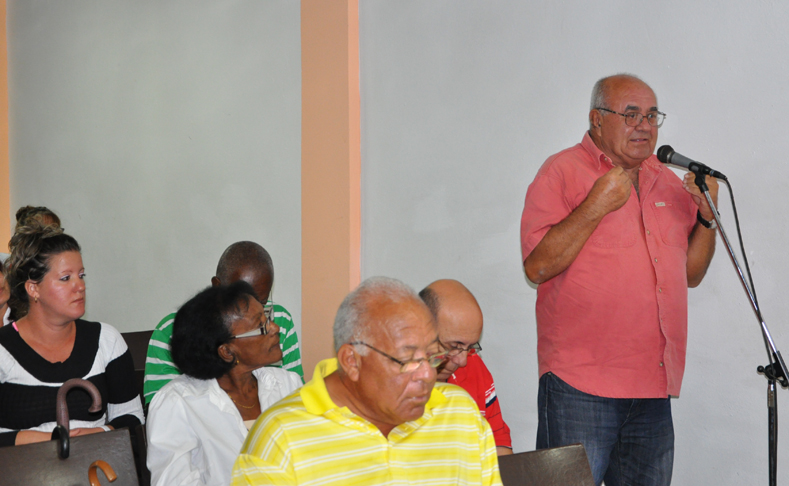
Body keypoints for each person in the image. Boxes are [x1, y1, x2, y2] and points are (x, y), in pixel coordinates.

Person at [520, 74, 718, 485]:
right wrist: (596, 204)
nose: (644, 125)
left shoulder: (667, 179)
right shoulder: (561, 171)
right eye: (630, 114)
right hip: (579, 385)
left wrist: (706, 218)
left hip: (652, 388)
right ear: (596, 119)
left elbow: (691, 275)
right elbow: (536, 267)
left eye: (651, 115)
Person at [231, 277, 503, 486]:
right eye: (407, 360)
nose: (427, 375)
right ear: (352, 361)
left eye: (431, 356)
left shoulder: (460, 415)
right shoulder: (281, 437)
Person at [0, 224, 143, 447]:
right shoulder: (3, 349)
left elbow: (133, 421)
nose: (80, 286)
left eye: (81, 275)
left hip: (97, 469)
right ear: (33, 289)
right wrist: (56, 441)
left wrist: (99, 433)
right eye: (66, 278)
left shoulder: (106, 340)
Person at [146, 281, 302, 486]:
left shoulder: (287, 386)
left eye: (268, 317)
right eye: (261, 325)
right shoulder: (178, 404)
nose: (275, 328)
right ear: (227, 351)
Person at [144, 241, 303, 405]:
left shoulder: (280, 319)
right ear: (217, 285)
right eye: (241, 301)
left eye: (261, 302)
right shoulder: (172, 331)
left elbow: (296, 398)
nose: (254, 309)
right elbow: (161, 407)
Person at [419, 279, 513, 456]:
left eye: (470, 347)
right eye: (454, 346)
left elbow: (498, 444)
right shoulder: (391, 381)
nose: (462, 360)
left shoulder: (474, 366)